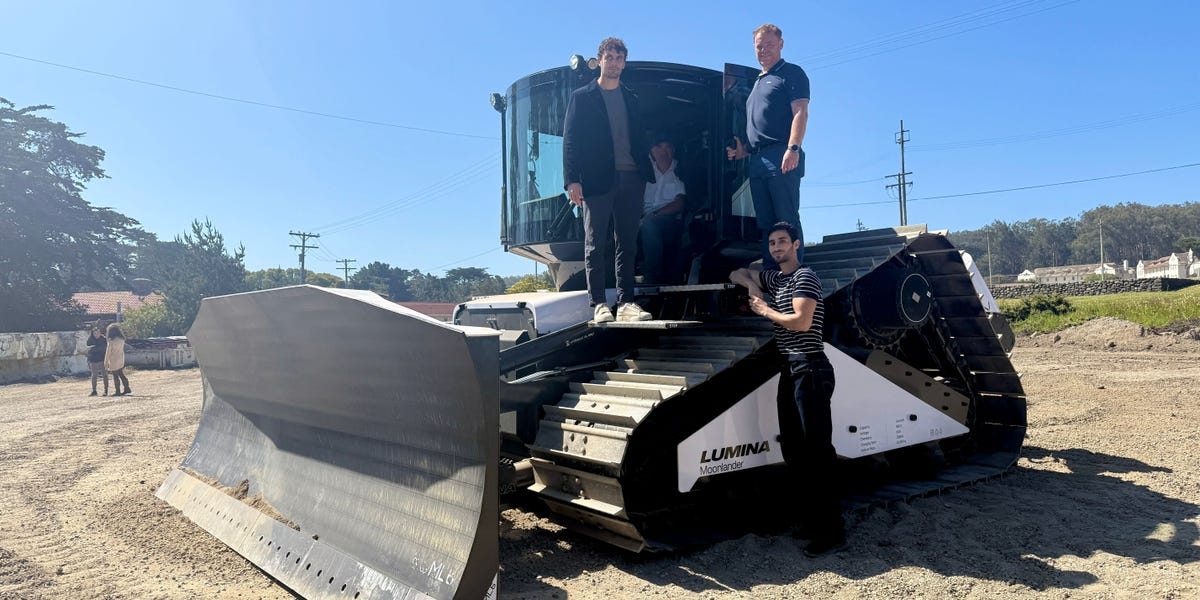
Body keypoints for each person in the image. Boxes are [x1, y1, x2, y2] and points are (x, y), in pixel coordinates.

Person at [728, 221, 845, 557]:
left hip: (810, 367)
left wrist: (765, 310)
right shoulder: (775, 278)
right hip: (790, 368)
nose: (777, 247)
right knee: (794, 450)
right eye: (772, 243)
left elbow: (801, 322)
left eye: (782, 242)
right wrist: (753, 284)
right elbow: (737, 272)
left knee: (817, 452)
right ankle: (811, 521)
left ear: (796, 245)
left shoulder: (805, 277)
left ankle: (831, 532)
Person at [563, 36, 655, 323]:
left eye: (619, 58)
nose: (614, 63)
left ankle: (627, 302)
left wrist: (646, 166)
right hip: (596, 179)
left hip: (632, 176)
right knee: (595, 242)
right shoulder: (582, 97)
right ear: (600, 60)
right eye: (609, 58)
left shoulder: (632, 97)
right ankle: (599, 303)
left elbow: (640, 135)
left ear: (624, 63)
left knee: (627, 242)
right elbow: (570, 141)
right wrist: (572, 180)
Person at [726, 23, 811, 268]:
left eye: (769, 45)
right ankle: (773, 276)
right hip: (757, 161)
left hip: (780, 155)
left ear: (781, 45)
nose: (764, 50)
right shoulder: (757, 81)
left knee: (786, 220)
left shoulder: (791, 73)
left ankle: (794, 277)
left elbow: (800, 112)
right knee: (766, 225)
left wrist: (793, 148)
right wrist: (744, 150)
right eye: (759, 46)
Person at [639, 139, 686, 284]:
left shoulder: (680, 171)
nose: (663, 152)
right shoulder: (645, 171)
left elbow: (679, 204)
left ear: (673, 151)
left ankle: (651, 278)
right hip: (641, 217)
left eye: (667, 148)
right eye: (660, 148)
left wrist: (654, 215)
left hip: (668, 219)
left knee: (649, 224)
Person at [105, 323, 132, 396]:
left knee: (115, 375)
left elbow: (108, 352)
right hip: (121, 358)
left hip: (113, 360)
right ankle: (127, 388)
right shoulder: (122, 339)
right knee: (121, 374)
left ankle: (118, 391)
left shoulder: (111, 341)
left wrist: (106, 362)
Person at [85, 326, 109, 397]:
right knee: (94, 375)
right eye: (95, 333)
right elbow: (88, 349)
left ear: (100, 333)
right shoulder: (90, 339)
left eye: (98, 333)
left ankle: (106, 390)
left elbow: (105, 348)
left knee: (104, 375)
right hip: (93, 359)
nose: (96, 334)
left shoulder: (104, 339)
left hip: (102, 359)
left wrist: (95, 348)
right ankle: (94, 391)